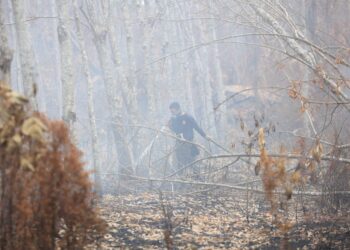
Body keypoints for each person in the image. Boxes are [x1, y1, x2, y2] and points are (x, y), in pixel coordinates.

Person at [168, 102, 207, 176]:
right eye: (171, 112)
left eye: (173, 111)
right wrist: (170, 126)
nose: (172, 113)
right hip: (179, 144)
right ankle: (182, 180)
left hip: (189, 143)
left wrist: (205, 136)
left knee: (191, 161)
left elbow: (197, 127)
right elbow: (175, 130)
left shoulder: (188, 117)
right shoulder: (174, 119)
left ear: (178, 109)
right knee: (179, 162)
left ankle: (198, 178)